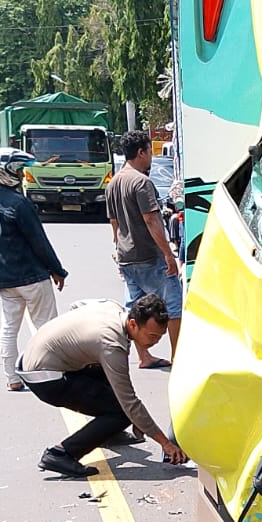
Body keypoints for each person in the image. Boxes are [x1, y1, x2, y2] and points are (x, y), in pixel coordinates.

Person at [17, 294, 188, 478]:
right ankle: (61, 453)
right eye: (152, 335)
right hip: (45, 379)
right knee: (122, 413)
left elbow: (78, 304)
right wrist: (165, 443)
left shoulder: (113, 308)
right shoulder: (111, 344)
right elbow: (129, 401)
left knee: (109, 379)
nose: (156, 342)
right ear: (132, 324)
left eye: (160, 336)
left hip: (33, 358)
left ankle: (109, 433)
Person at [0, 148, 69, 392]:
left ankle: (12, 378)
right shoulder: (20, 204)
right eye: (17, 170)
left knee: (9, 327)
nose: (20, 174)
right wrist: (57, 270)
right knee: (46, 328)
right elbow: (39, 241)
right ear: (2, 173)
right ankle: (50, 373)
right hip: (32, 277)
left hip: (5, 280)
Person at [106, 131, 182, 370]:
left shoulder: (114, 182)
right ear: (141, 152)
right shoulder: (141, 182)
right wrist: (169, 254)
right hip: (149, 256)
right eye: (150, 151)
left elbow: (114, 222)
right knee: (173, 306)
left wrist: (117, 249)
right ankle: (179, 358)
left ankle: (144, 356)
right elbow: (151, 220)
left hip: (127, 257)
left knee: (136, 309)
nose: (151, 156)